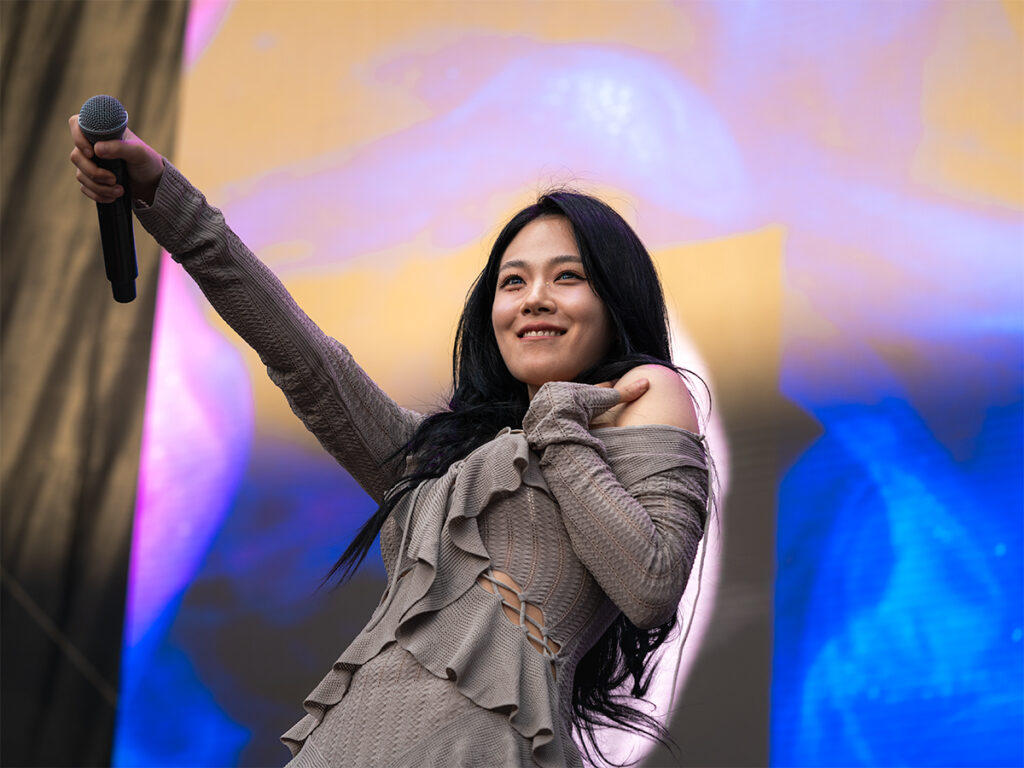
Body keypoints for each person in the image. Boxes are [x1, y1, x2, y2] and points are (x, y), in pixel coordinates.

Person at [69, 116, 711, 768]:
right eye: (512, 282)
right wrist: (159, 193)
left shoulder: (641, 392)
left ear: (615, 299)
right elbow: (307, 360)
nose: (533, 299)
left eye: (567, 276)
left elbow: (651, 582)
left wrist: (558, 425)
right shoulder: (430, 461)